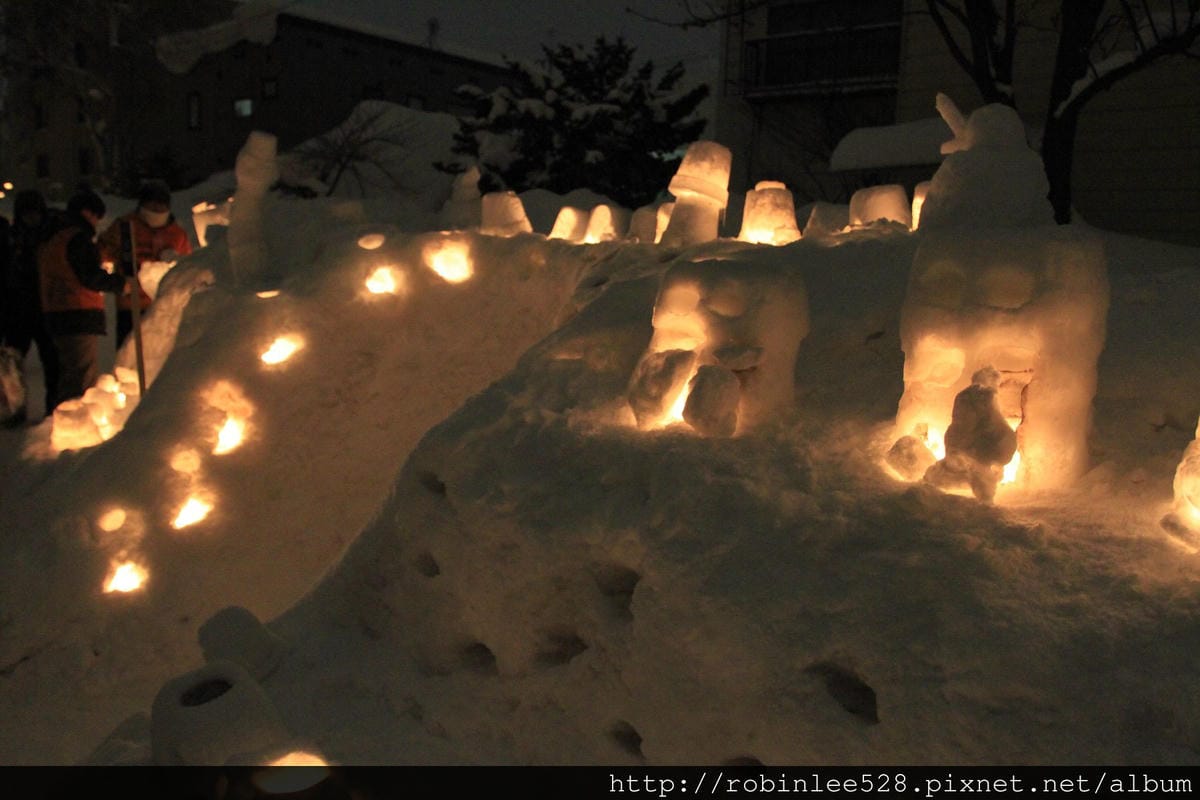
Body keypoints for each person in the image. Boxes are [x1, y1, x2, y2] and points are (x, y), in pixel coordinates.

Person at [38, 189, 131, 407]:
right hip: (77, 314)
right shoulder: (76, 238)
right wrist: (121, 284)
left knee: (70, 374)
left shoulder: (54, 237)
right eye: (96, 217)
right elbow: (89, 276)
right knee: (81, 379)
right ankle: (74, 428)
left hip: (57, 313)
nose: (97, 223)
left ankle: (64, 420)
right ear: (87, 212)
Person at [98, 179, 192, 349]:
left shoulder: (177, 234)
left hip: (163, 306)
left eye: (160, 207)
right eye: (152, 207)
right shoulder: (125, 226)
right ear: (142, 205)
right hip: (130, 305)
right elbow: (103, 252)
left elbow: (186, 267)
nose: (156, 211)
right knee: (130, 352)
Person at [0, 189, 60, 418]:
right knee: (11, 364)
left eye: (35, 213)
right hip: (17, 310)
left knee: (52, 363)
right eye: (27, 214)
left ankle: (54, 409)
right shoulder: (11, 239)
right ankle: (15, 409)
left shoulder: (49, 237)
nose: (31, 218)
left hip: (45, 309)